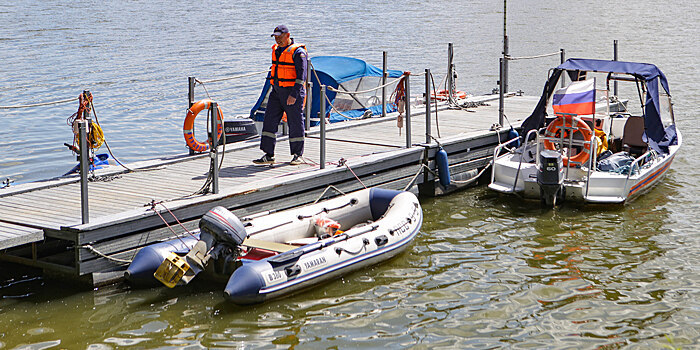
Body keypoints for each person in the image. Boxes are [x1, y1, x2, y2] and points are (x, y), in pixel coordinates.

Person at [253, 25, 307, 166]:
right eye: (275, 37)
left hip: (292, 92)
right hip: (276, 92)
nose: (278, 40)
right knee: (269, 120)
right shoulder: (276, 50)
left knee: (295, 123)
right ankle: (269, 154)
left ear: (288, 35)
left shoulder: (298, 52)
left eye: (280, 37)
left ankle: (297, 155)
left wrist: (294, 94)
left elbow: (302, 77)